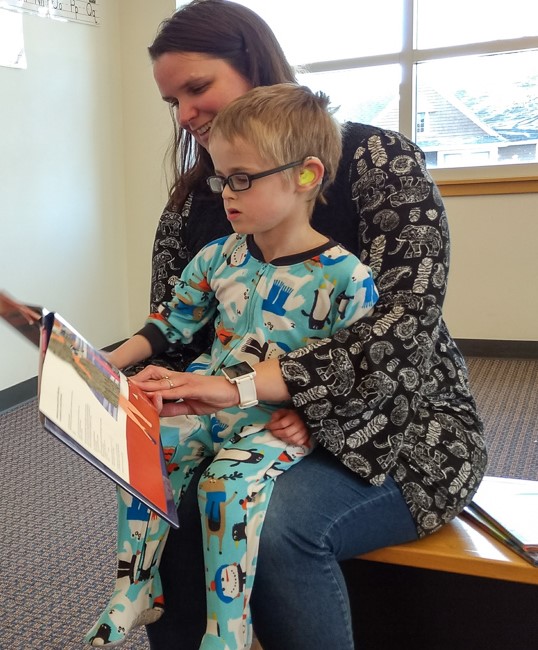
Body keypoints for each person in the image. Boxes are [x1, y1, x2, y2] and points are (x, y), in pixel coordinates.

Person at [116, 1, 487, 649]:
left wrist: (290, 406)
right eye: (171, 101)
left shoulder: (380, 163)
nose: (184, 115)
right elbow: (179, 331)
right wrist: (108, 370)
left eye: (197, 88)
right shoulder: (194, 205)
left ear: (255, 65)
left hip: (405, 429)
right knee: (162, 484)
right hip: (255, 423)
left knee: (278, 522)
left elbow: (402, 330)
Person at [85, 83, 379, 650]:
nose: (226, 193)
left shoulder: (346, 278)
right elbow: (170, 325)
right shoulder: (219, 256)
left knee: (225, 485)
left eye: (243, 178)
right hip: (208, 400)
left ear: (305, 175)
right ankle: (137, 586)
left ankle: (228, 631)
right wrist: (100, 363)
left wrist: (314, 421)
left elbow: (357, 374)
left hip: (274, 421)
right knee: (146, 444)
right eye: (221, 177)